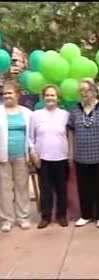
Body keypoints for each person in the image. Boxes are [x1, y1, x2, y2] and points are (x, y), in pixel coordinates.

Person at [67, 78, 99, 228]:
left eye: (86, 90)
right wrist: (71, 153)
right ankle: (85, 215)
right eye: (81, 91)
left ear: (94, 91)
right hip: (81, 156)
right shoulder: (75, 110)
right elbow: (71, 132)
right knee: (83, 187)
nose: (83, 93)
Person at [30, 85, 70, 229]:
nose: (50, 98)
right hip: (43, 158)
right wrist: (33, 153)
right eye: (47, 95)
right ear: (43, 97)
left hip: (61, 157)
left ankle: (61, 215)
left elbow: (69, 136)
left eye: (52, 95)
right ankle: (46, 217)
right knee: (45, 189)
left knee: (61, 189)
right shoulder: (36, 115)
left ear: (58, 98)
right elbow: (30, 137)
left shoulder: (65, 114)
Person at [0, 79, 35, 232]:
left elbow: (32, 135)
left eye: (10, 93)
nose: (7, 95)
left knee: (22, 187)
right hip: (3, 157)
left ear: (18, 94)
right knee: (4, 189)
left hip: (22, 155)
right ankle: (7, 219)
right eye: (5, 93)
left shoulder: (27, 113)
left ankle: (23, 217)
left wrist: (32, 151)